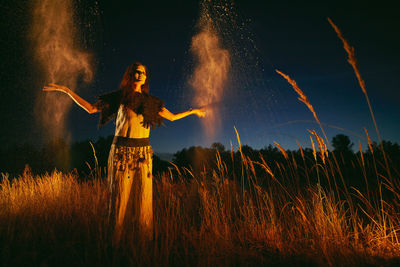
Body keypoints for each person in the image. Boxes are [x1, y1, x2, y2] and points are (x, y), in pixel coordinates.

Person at [43, 62, 205, 245]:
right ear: (130, 75)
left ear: (145, 78)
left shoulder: (151, 102)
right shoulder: (119, 97)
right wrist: (66, 90)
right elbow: (90, 108)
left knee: (143, 200)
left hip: (143, 155)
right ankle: (114, 245)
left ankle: (143, 246)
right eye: (136, 71)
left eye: (143, 73)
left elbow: (173, 116)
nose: (140, 74)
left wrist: (194, 111)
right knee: (119, 200)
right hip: (121, 153)